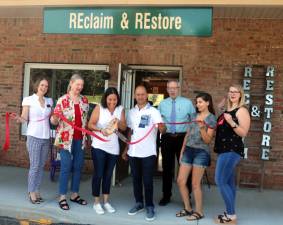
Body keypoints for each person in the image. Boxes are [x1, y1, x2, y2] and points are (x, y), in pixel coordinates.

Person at [122, 85, 166, 221]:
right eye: (138, 94)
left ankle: (150, 206)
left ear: (147, 95)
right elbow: (129, 132)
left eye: (142, 94)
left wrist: (162, 127)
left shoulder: (154, 112)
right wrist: (126, 149)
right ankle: (139, 203)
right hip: (134, 152)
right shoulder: (131, 112)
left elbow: (163, 130)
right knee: (136, 179)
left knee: (147, 181)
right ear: (135, 96)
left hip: (148, 152)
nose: (140, 96)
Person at [50, 74, 89, 210]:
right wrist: (54, 118)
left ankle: (74, 194)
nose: (80, 87)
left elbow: (85, 120)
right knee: (66, 167)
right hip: (65, 139)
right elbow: (54, 121)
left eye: (82, 85)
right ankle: (62, 197)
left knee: (78, 167)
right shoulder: (62, 100)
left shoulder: (84, 100)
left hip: (80, 139)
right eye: (78, 84)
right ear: (71, 83)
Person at [176, 92, 216, 221]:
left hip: (201, 152)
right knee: (181, 181)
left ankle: (199, 212)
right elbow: (187, 134)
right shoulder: (193, 115)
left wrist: (203, 128)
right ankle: (188, 208)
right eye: (197, 102)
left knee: (195, 184)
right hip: (188, 150)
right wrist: (182, 150)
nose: (197, 104)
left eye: (200, 102)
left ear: (207, 103)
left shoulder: (211, 118)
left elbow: (208, 140)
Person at [214, 84, 250, 224]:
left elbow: (243, 132)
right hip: (223, 149)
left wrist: (231, 122)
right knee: (229, 182)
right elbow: (222, 118)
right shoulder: (229, 110)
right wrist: (222, 109)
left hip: (231, 150)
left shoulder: (242, 111)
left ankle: (231, 214)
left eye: (236, 92)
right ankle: (230, 212)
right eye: (230, 91)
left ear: (240, 94)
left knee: (220, 180)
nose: (233, 94)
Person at [88, 87, 127, 214]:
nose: (112, 102)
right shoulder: (100, 107)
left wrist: (118, 120)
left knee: (108, 175)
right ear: (106, 98)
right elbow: (90, 124)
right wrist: (101, 130)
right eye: (110, 99)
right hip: (99, 146)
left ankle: (106, 201)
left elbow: (124, 127)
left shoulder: (120, 109)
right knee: (99, 174)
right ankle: (96, 202)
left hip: (113, 148)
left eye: (115, 99)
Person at [158, 80, 195, 206]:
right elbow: (160, 122)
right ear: (167, 89)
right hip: (167, 138)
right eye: (170, 88)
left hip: (183, 139)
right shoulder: (162, 104)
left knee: (185, 168)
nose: (172, 90)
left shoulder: (187, 103)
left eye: (175, 88)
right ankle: (166, 196)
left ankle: (187, 197)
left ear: (179, 88)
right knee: (167, 169)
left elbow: (194, 120)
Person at [16, 77, 53, 204]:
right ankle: (31, 192)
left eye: (46, 86)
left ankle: (37, 190)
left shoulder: (49, 101)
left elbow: (52, 119)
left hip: (46, 137)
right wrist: (19, 119)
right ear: (37, 86)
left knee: (41, 166)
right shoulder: (28, 100)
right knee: (35, 165)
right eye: (42, 85)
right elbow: (24, 117)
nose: (44, 88)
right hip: (33, 136)